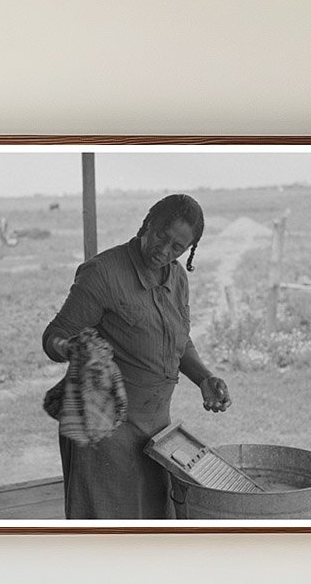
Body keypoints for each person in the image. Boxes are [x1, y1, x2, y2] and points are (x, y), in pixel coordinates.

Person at [42, 193, 231, 519]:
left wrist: (203, 377)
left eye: (177, 248)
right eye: (161, 235)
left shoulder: (177, 278)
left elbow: (179, 340)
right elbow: (53, 337)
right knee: (107, 534)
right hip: (102, 432)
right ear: (147, 223)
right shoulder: (103, 274)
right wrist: (70, 349)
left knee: (151, 527)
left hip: (157, 431)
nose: (164, 250)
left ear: (188, 252)